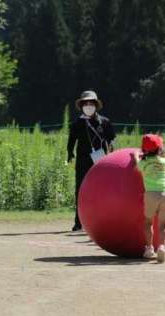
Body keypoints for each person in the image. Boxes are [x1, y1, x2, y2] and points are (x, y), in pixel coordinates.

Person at [67, 90, 116, 231]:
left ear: (95, 105)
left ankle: (103, 220)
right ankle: (79, 222)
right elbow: (71, 140)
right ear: (82, 105)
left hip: (101, 161)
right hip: (82, 160)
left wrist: (113, 153)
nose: (88, 105)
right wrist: (69, 153)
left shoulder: (105, 122)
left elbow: (112, 139)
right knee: (80, 190)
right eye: (86, 103)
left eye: (91, 103)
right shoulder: (77, 123)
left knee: (103, 190)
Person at [131, 134, 165, 263]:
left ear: (144, 149)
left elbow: (136, 169)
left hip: (151, 195)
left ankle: (149, 249)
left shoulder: (144, 162)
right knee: (163, 225)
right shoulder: (163, 161)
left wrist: (136, 157)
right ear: (159, 148)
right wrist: (163, 172)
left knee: (148, 222)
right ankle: (162, 247)